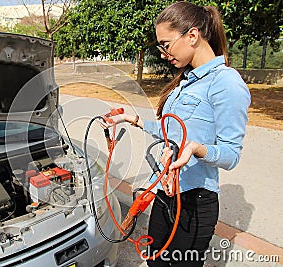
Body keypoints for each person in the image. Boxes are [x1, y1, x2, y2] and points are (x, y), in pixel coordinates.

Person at [105, 1, 251, 266]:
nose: (162, 54)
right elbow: (172, 132)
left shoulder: (226, 83)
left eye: (165, 44)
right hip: (165, 193)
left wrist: (198, 149)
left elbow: (231, 155)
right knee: (154, 261)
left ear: (192, 36)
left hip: (195, 202)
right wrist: (134, 120)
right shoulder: (185, 81)